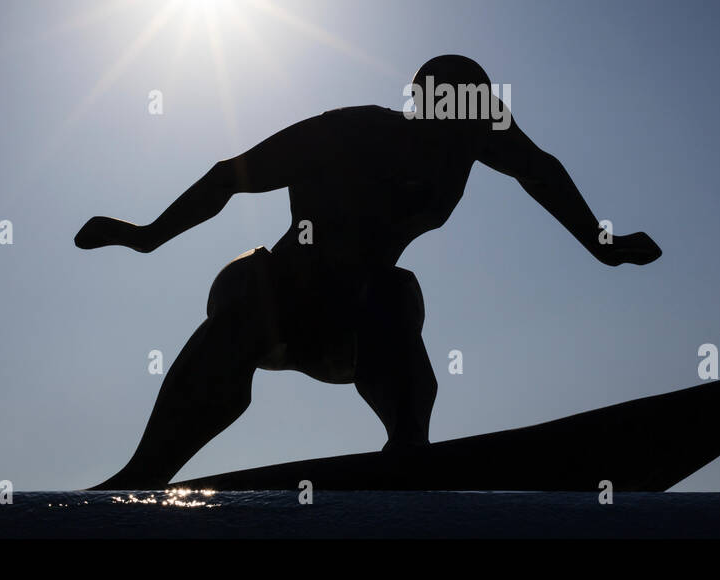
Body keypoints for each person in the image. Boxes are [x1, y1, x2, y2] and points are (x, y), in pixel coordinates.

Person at [77, 55, 661, 488]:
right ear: (422, 111)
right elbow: (229, 176)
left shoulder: (470, 136)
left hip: (352, 329)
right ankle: (145, 469)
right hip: (282, 303)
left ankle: (408, 445)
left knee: (394, 289)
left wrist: (599, 241)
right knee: (255, 286)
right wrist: (148, 236)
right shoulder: (349, 132)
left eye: (476, 129)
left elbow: (540, 170)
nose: (463, 145)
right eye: (450, 125)